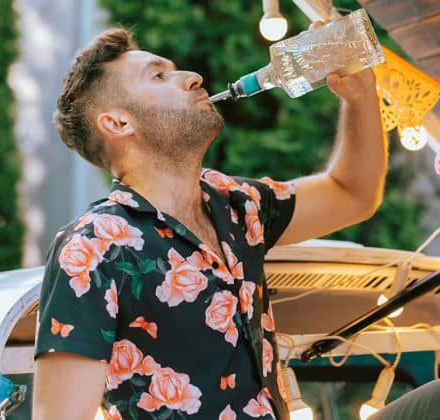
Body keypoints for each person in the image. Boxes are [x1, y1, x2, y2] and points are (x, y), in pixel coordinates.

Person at [32, 24, 388, 419]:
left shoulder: (237, 204)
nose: (192, 77)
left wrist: (360, 97)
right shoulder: (93, 245)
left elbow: (352, 194)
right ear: (117, 123)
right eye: (159, 75)